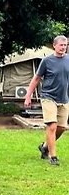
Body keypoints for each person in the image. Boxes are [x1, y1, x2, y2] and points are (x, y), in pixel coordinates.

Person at [24, 35, 69, 166]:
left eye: (65, 45)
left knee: (61, 128)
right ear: (54, 45)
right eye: (61, 45)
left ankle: (44, 147)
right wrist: (28, 95)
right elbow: (36, 79)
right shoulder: (47, 61)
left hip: (64, 99)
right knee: (52, 126)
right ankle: (53, 156)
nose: (63, 48)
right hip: (48, 97)